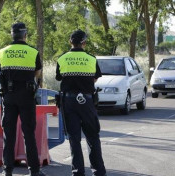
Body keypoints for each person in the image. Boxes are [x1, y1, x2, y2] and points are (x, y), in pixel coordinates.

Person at [55, 29, 106, 176]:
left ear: (70, 42)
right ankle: (98, 171)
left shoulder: (62, 58)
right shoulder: (91, 59)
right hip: (87, 101)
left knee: (74, 138)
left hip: (69, 102)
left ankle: (78, 172)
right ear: (84, 43)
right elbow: (95, 78)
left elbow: (59, 78)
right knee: (93, 136)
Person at [0, 22, 45, 176]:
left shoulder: (2, 52)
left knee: (9, 135)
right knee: (29, 134)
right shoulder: (33, 52)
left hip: (9, 97)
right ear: (25, 35)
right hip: (26, 96)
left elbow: (2, 73)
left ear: (12, 34)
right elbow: (37, 73)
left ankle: (7, 170)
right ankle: (34, 171)